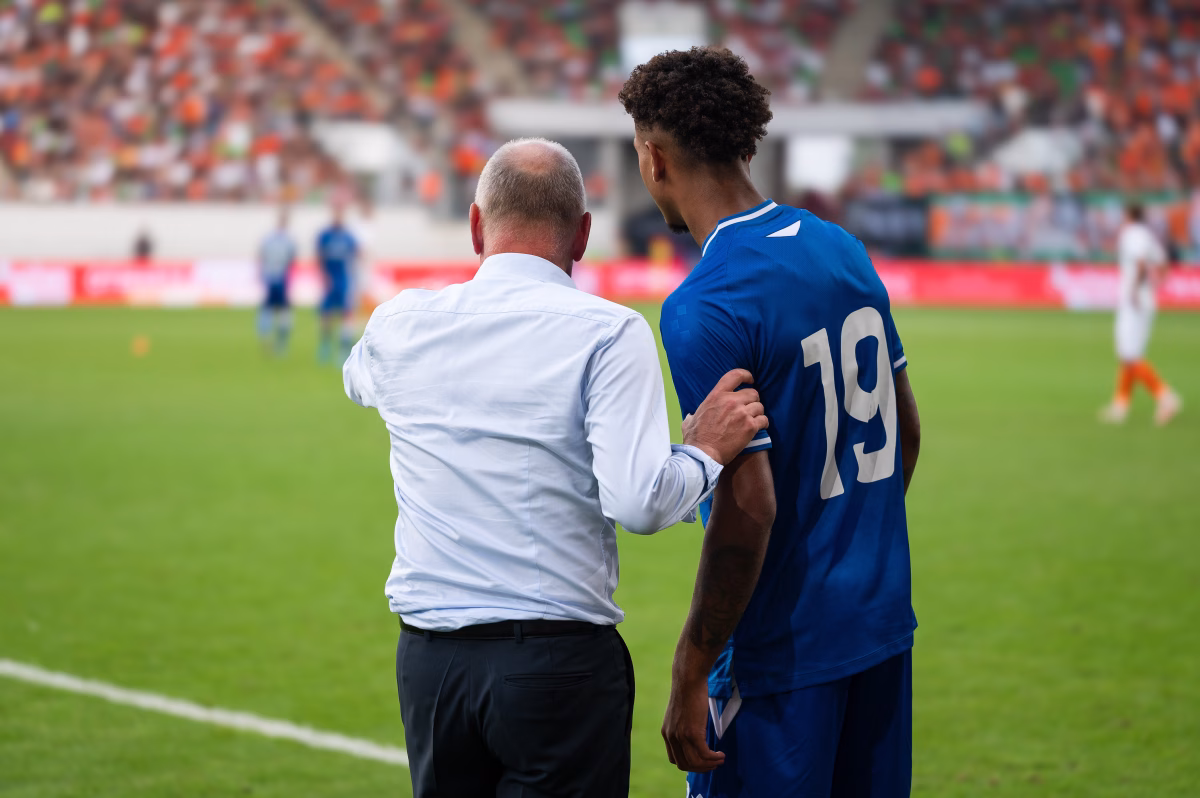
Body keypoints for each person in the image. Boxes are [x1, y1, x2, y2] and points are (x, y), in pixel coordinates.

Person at [342, 138, 769, 798]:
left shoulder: (401, 324)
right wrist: (705, 450)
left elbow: (359, 382)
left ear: (477, 226)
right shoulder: (609, 331)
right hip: (555, 663)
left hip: (431, 664)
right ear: (583, 233)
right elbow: (642, 503)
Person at [619, 47, 922, 798]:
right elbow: (906, 432)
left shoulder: (704, 304)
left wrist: (691, 667)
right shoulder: (841, 248)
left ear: (654, 159)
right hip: (880, 627)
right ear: (746, 143)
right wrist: (846, 545)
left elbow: (749, 506)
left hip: (781, 658)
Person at [1099, 203, 1183, 425]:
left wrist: (1136, 290)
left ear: (1127, 215)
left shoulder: (1132, 234)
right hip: (1146, 301)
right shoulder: (1147, 234)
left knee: (1129, 354)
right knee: (1130, 353)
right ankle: (1121, 405)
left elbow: (1140, 261)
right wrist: (1156, 284)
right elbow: (1164, 263)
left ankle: (1165, 396)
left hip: (1134, 301)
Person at [315, 201, 360, 364]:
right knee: (326, 315)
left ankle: (343, 350)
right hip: (329, 281)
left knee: (346, 315)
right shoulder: (325, 235)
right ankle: (325, 346)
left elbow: (357, 254)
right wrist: (323, 276)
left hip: (344, 281)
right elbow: (319, 256)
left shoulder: (348, 236)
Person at [256, 209, 297, 356]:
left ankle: (274, 342)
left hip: (276, 278)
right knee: (280, 311)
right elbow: (291, 259)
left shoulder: (272, 239)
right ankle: (277, 343)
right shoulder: (285, 240)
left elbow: (261, 256)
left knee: (272, 311)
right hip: (278, 279)